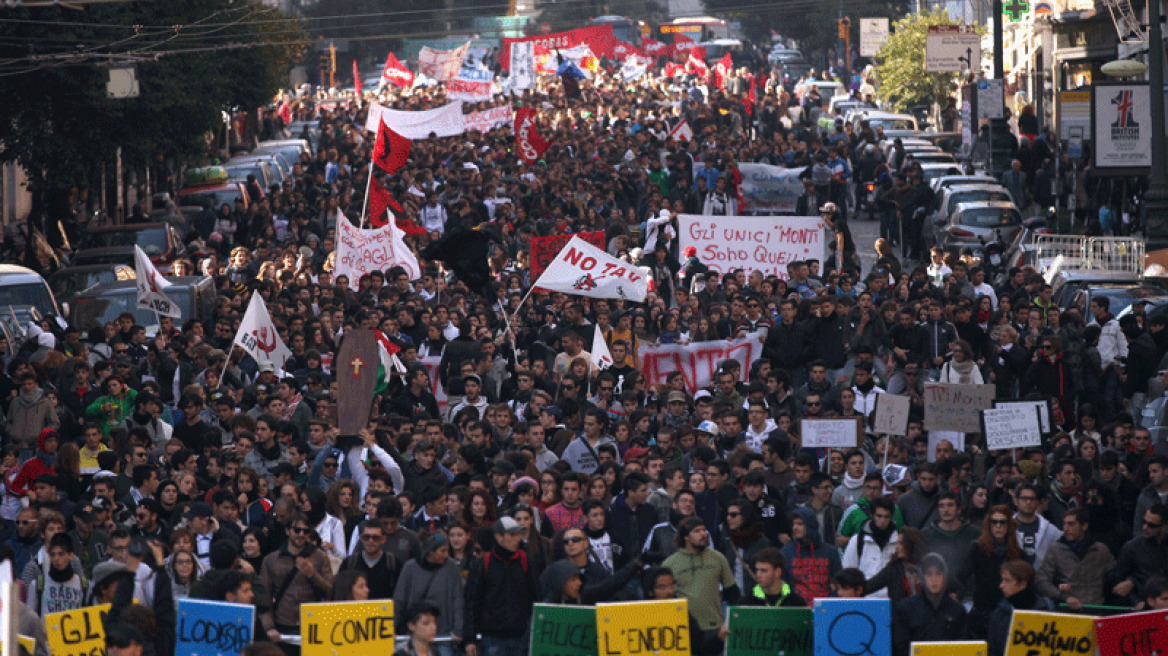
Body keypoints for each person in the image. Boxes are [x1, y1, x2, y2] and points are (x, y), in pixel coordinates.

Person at [464, 517, 539, 656]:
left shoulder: (526, 560)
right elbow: (472, 602)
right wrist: (470, 638)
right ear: (499, 537)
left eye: (518, 534)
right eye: (512, 534)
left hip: (521, 636)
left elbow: (537, 597)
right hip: (492, 637)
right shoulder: (483, 564)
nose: (517, 539)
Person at [662, 516, 739, 634]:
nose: (703, 534)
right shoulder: (670, 563)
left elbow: (732, 592)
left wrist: (731, 621)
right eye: (697, 531)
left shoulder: (717, 558)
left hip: (715, 626)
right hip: (684, 628)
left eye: (704, 530)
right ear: (686, 536)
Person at [1034, 507, 1116, 609]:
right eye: (1064, 524)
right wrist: (1063, 596)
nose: (1066, 528)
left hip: (1095, 609)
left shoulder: (1101, 550)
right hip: (1066, 609)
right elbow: (1041, 581)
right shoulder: (1055, 550)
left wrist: (1130, 581)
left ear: (1084, 526)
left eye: (1071, 524)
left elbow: (1115, 576)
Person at [892, 553, 967, 656]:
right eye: (929, 574)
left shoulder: (957, 610)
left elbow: (964, 647)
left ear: (945, 576)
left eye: (938, 573)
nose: (934, 579)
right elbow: (900, 647)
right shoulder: (906, 608)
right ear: (923, 576)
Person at [988, 561, 1053, 656]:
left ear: (1022, 584)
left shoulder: (1046, 612)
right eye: (1002, 580)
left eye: (1007, 581)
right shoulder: (999, 614)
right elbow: (992, 650)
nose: (1001, 585)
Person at [739, 546, 806, 607]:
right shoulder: (746, 603)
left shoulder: (796, 603)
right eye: (757, 570)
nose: (758, 575)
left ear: (778, 572)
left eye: (763, 570)